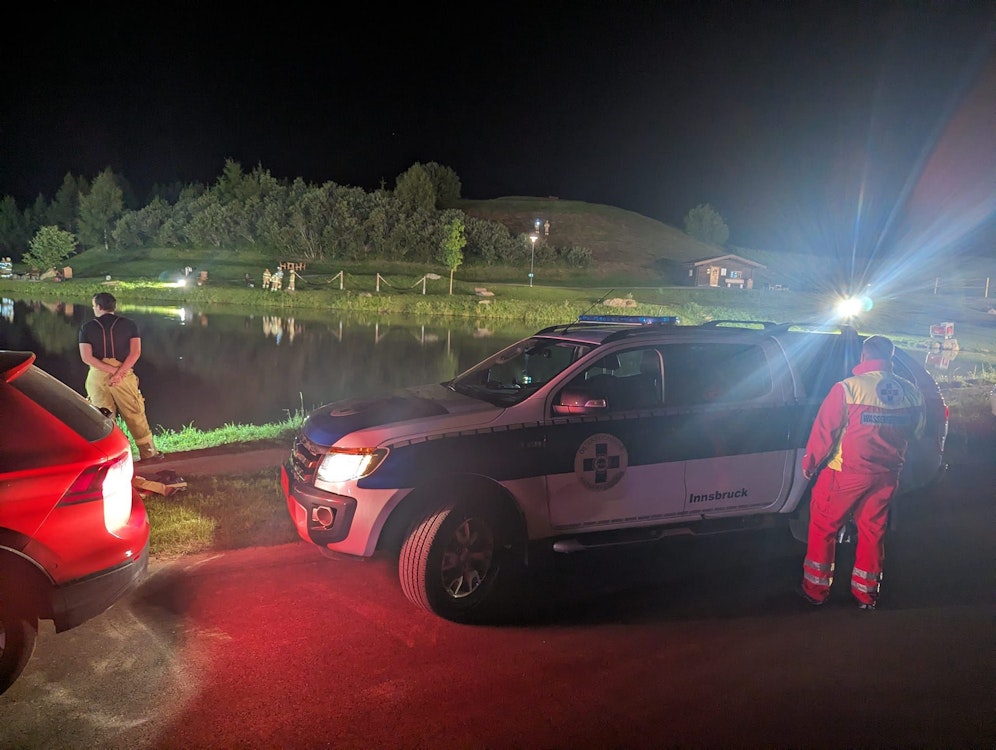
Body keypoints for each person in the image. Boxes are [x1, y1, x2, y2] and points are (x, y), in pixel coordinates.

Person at [799, 335, 924, 610]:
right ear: (890, 358)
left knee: (823, 527)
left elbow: (824, 432)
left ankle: (816, 591)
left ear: (864, 357)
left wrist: (810, 463)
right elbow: (916, 433)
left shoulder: (848, 389)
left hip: (846, 474)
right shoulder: (910, 391)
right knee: (873, 530)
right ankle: (866, 594)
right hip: (887, 474)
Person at [78, 292, 164, 462]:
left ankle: (109, 457)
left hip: (97, 375)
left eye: (94, 305)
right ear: (114, 307)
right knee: (135, 413)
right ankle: (149, 454)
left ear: (98, 307)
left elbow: (86, 358)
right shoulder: (130, 325)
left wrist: (109, 371)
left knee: (101, 418)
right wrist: (119, 373)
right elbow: (135, 352)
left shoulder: (87, 327)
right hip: (123, 373)